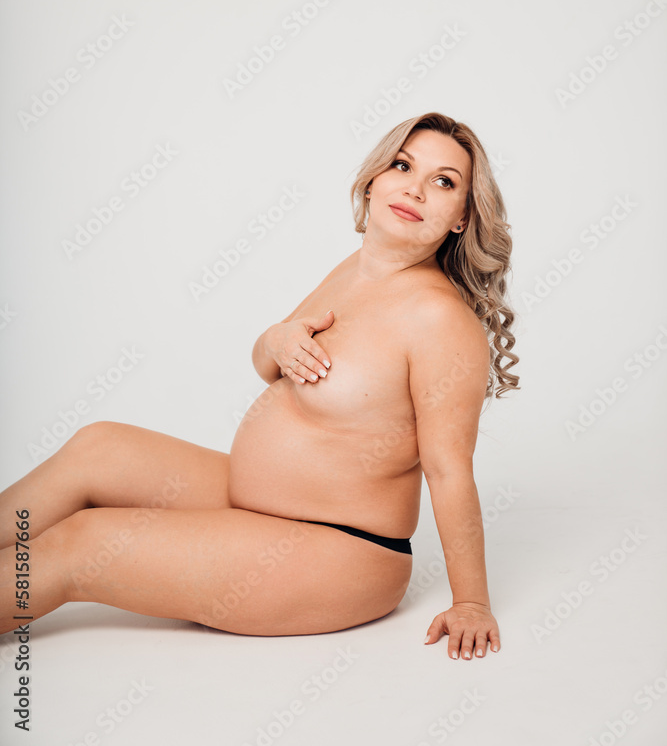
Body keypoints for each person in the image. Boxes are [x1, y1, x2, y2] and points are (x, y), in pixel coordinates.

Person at [0, 111, 519, 660]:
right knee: (98, 447)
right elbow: (269, 363)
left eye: (444, 181)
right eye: (403, 166)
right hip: (256, 502)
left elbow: (448, 469)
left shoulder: (438, 320)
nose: (415, 188)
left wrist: (471, 603)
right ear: (374, 180)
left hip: (340, 551)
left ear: (462, 216)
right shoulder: (357, 269)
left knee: (83, 544)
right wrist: (275, 340)